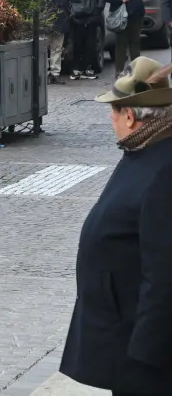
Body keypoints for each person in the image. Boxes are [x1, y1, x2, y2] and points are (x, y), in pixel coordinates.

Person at [60, 56, 172, 394]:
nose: (111, 118)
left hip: (143, 357)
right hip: (123, 336)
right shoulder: (144, 149)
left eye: (113, 110)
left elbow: (164, 274)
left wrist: (145, 354)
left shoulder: (163, 169)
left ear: (130, 116)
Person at [37, 0, 72, 85]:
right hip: (45, 15)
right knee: (43, 46)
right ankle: (44, 73)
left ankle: (55, 73)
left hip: (61, 15)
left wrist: (67, 9)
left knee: (57, 47)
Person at [68, 0, 104, 81]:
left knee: (90, 44)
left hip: (91, 17)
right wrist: (71, 13)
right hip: (76, 18)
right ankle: (76, 68)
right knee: (76, 44)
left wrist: (97, 11)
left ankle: (87, 68)